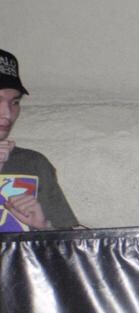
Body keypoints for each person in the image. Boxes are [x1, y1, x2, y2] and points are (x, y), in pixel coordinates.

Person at [0, 49, 78, 231]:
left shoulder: (33, 163)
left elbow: (67, 242)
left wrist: (44, 228)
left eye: (15, 102)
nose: (7, 114)